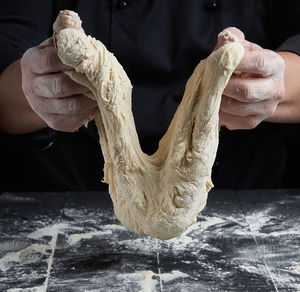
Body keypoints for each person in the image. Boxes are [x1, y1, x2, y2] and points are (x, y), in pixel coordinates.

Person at [0, 0, 300, 191]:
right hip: (69, 198)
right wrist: (37, 88)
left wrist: (269, 79)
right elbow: (6, 75)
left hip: (241, 199)